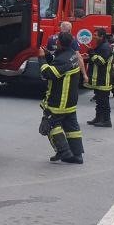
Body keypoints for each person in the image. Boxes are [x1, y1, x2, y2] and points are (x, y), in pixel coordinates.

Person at [40, 34, 85, 164]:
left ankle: (64, 151)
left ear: (59, 42)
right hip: (70, 101)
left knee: (49, 125)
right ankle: (77, 155)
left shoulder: (63, 59)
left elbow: (48, 73)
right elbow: (57, 61)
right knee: (72, 128)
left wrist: (41, 58)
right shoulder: (71, 55)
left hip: (59, 101)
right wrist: (48, 54)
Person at [86, 29, 114, 128]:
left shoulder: (105, 47)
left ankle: (107, 121)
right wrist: (90, 56)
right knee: (99, 101)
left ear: (101, 36)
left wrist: (91, 53)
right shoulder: (101, 46)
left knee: (104, 101)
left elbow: (100, 61)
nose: (94, 37)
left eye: (95, 35)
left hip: (104, 79)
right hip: (99, 79)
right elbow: (96, 59)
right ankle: (98, 118)